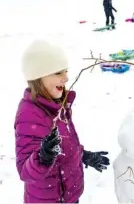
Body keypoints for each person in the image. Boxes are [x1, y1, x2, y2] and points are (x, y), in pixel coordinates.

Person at [14, 39, 110, 203]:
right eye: (58, 73)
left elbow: (65, 144)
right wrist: (43, 158)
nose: (66, 78)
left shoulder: (59, 106)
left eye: (65, 71)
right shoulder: (29, 116)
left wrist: (82, 155)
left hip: (69, 197)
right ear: (38, 77)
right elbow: (25, 171)